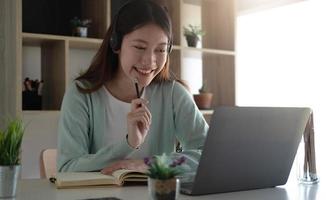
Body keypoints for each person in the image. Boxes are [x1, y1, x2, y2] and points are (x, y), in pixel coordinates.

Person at [57, 0, 208, 175]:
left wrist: (151, 164)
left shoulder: (174, 94)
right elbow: (67, 167)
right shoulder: (81, 94)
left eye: (160, 50)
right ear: (116, 44)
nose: (150, 61)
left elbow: (209, 154)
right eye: (139, 47)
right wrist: (128, 144)